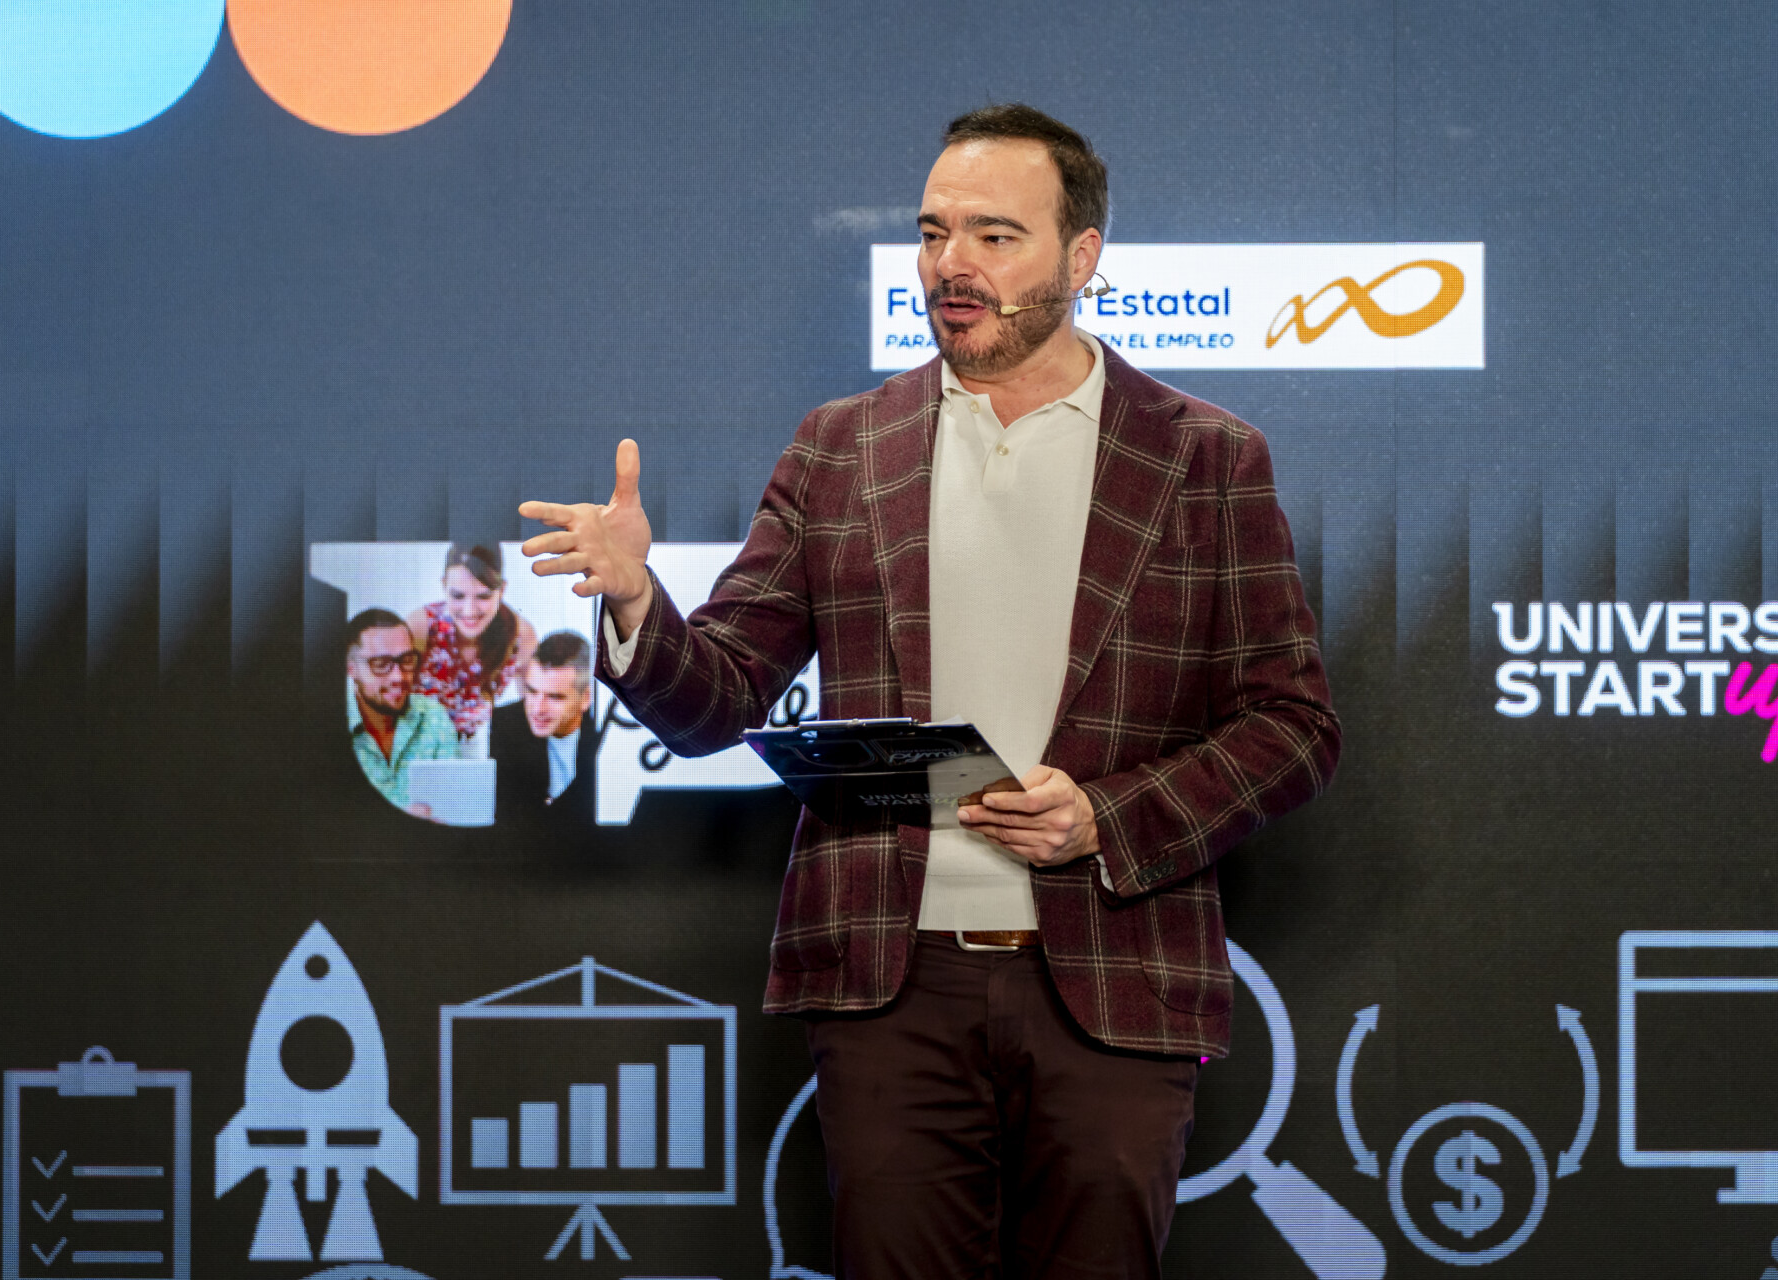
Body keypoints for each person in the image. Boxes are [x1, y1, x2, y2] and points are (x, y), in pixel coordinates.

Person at [522, 104, 1338, 1279]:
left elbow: (1294, 727)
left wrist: (1103, 816)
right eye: (934, 232)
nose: (954, 264)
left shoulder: (1207, 458)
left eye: (996, 236)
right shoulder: (839, 447)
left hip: (1115, 976)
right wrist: (639, 601)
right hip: (889, 979)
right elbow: (721, 696)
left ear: (1083, 256)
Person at [408, 542, 538, 743]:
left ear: (502, 590)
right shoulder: (420, 628)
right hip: (416, 745)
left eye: (483, 596)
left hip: (474, 745)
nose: (469, 611)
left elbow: (531, 710)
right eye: (457, 595)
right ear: (444, 585)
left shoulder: (521, 635)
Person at [345, 607, 460, 816]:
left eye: (406, 660)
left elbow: (452, 806)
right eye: (381, 664)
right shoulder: (322, 725)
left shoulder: (434, 717)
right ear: (351, 668)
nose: (398, 677)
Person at [490, 630, 602, 829]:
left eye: (554, 697)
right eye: (532, 691)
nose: (538, 709)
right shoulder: (502, 725)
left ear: (585, 698)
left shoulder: (605, 734)